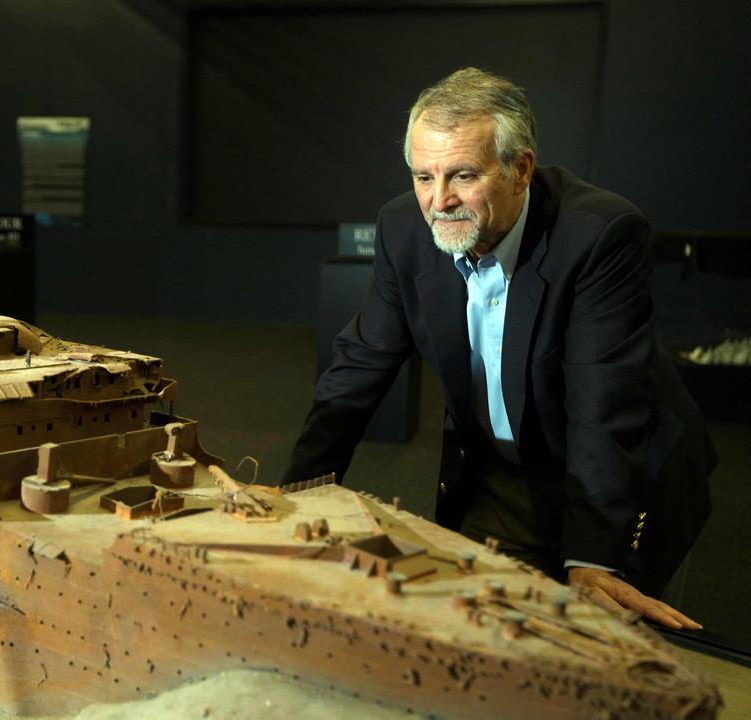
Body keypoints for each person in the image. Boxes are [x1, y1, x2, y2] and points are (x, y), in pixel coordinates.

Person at [283, 67, 717, 630]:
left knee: (602, 649)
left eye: (462, 175)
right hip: (499, 470)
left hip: (617, 473)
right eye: (423, 176)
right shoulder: (404, 229)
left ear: (521, 169)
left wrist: (591, 560)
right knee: (486, 632)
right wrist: (293, 494)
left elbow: (604, 405)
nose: (439, 201)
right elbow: (361, 364)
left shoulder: (600, 234)